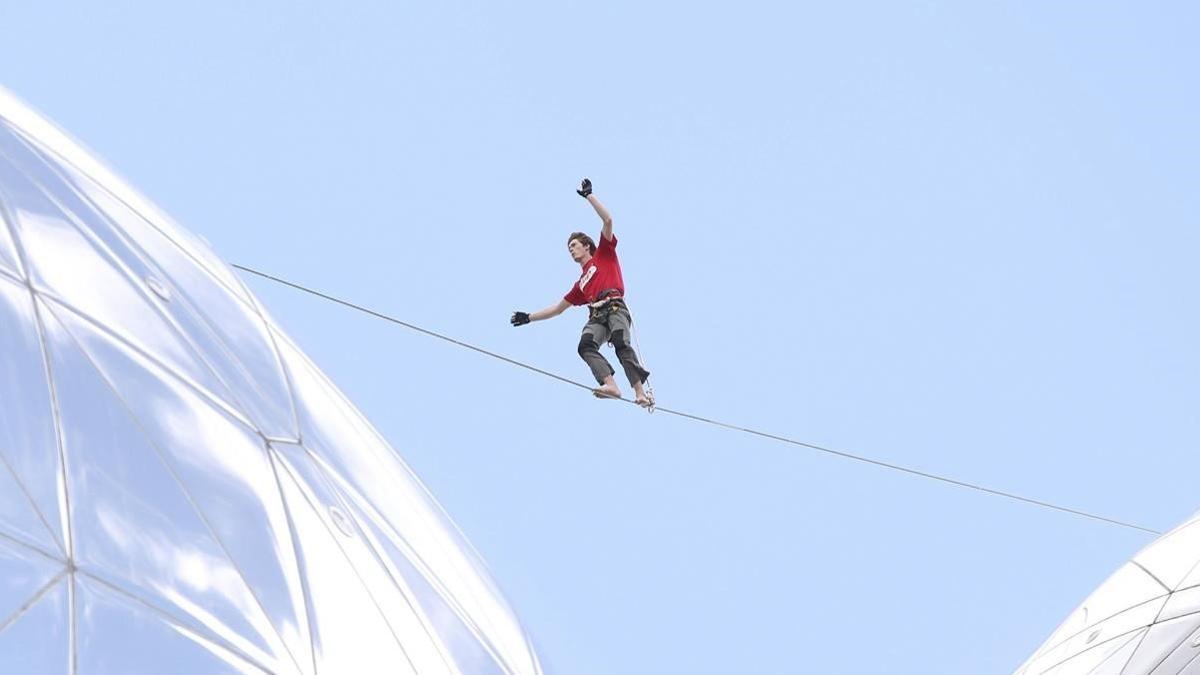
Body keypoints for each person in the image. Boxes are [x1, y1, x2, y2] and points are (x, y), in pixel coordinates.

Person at [511, 179, 652, 407]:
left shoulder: (603, 255)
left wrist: (589, 196)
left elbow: (608, 220)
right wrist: (529, 317)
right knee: (585, 345)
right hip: (597, 315)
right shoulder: (581, 285)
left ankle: (640, 391)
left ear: (587, 246)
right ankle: (611, 385)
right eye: (569, 248)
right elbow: (558, 309)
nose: (571, 250)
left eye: (574, 245)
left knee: (620, 342)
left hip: (614, 306)